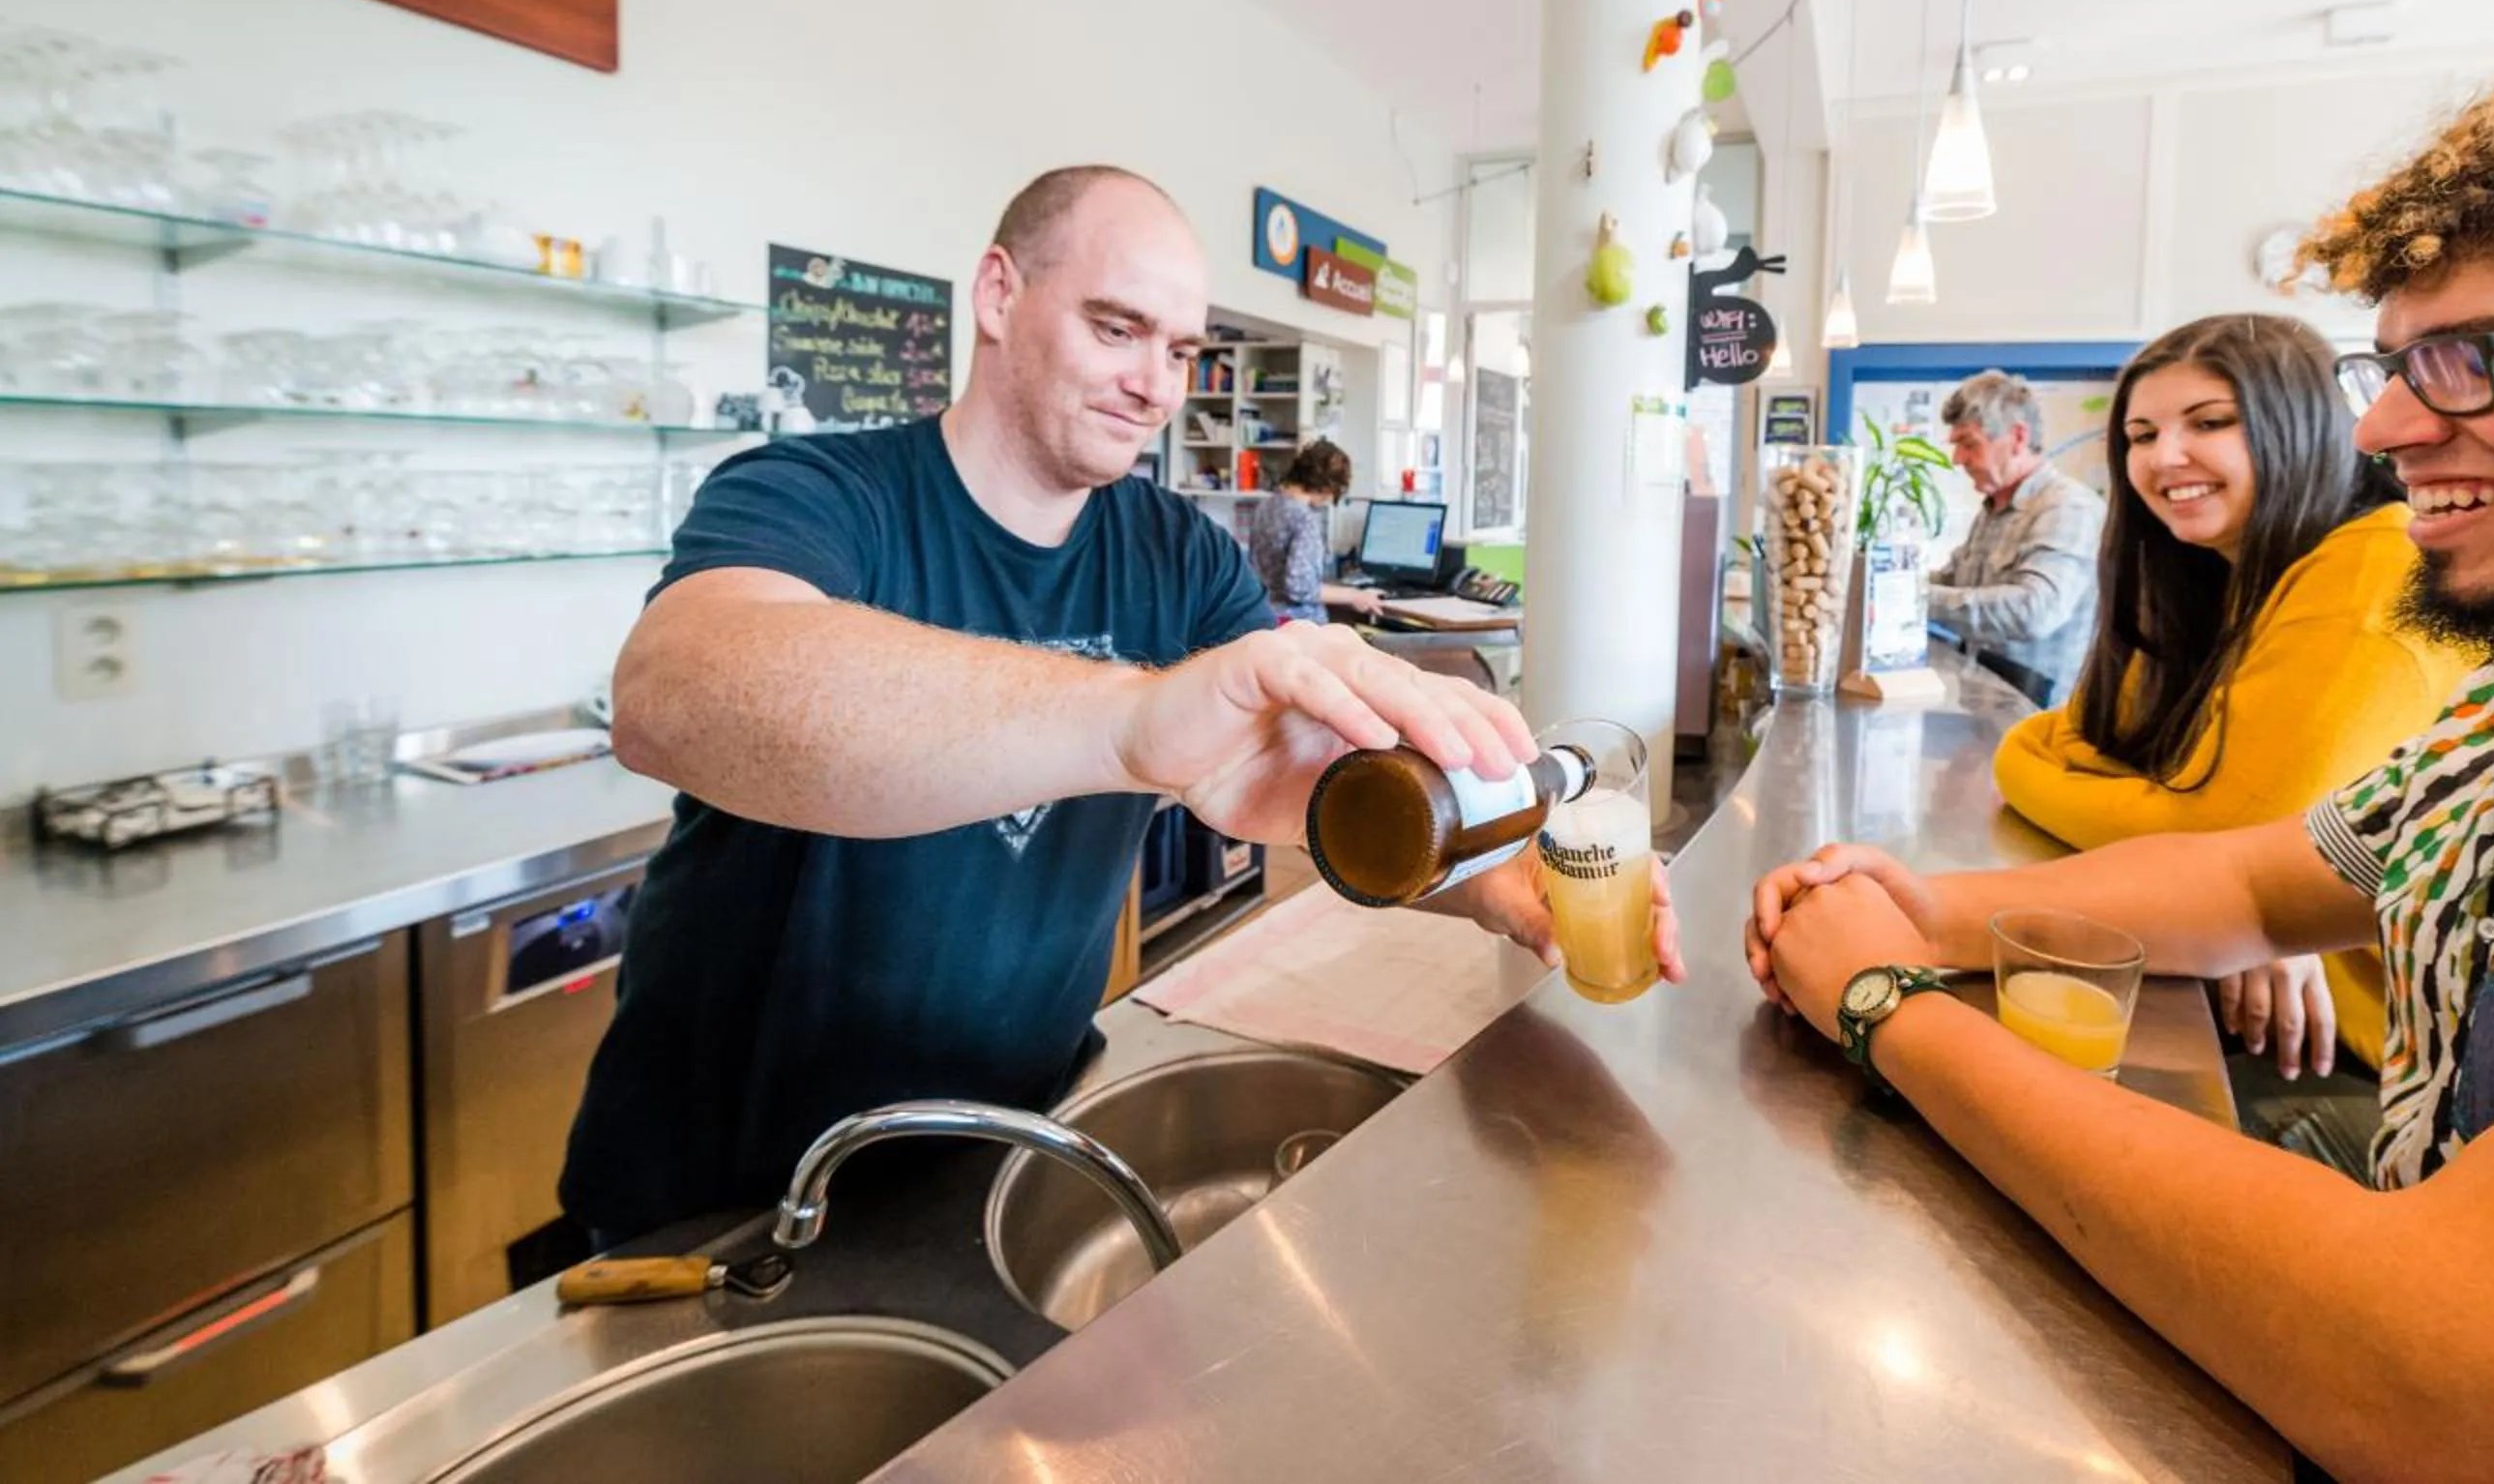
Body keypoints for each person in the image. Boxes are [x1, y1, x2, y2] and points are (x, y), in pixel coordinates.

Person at [1748, 7, 2494, 1481]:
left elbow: (2468, 1380)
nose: (2385, 434)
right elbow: (2251, 881)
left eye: (2480, 358)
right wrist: (1912, 903)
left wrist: (1886, 1003)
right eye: (2400, 366)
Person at [563, 165, 1681, 1245]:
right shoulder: (818, 492)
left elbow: (1320, 779)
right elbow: (673, 691)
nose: (1157, 383)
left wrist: (1488, 873)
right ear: (999, 294)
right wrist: (1131, 722)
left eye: (1182, 348)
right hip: (727, 1194)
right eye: (1116, 329)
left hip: (1002, 1151)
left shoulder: (1181, 558)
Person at [1991, 313, 2479, 1108]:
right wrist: (2245, 897)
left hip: (2365, 1069)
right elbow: (2107, 747)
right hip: (2241, 1001)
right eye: (2141, 435)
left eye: (2210, 423)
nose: (2163, 458)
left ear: (2300, 424)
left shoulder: (2375, 565)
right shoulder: (2202, 575)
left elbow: (2221, 833)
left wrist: (2253, 902)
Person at [1923, 370, 2103, 705]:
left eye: (1969, 444)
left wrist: (1914, 599)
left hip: (2040, 720)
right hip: (1987, 706)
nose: (1957, 459)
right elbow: (1954, 580)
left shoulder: (2068, 508)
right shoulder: (1992, 509)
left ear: (2018, 437)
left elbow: (2035, 611)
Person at [1246, 439, 1383, 625]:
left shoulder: (1266, 506)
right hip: (1299, 625)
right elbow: (1300, 587)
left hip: (1264, 616)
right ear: (1327, 487)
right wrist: (1354, 596)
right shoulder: (1304, 519)